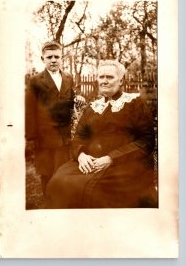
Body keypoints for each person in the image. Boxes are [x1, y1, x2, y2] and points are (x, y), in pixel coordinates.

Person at [45, 60, 158, 208]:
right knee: (58, 180)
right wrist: (81, 155)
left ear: (121, 80)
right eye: (101, 77)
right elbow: (79, 137)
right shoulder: (92, 108)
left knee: (83, 187)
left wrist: (111, 158)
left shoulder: (135, 103)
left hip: (125, 165)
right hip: (92, 162)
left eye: (109, 77)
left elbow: (146, 141)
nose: (104, 81)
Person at [25, 40, 74, 196]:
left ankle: (62, 201)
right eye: (49, 57)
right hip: (44, 137)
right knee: (46, 172)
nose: (53, 60)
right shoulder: (35, 81)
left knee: (63, 169)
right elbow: (30, 110)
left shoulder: (68, 78)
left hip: (64, 135)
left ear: (62, 58)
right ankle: (49, 202)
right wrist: (32, 138)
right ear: (43, 59)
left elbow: (70, 102)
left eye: (57, 57)